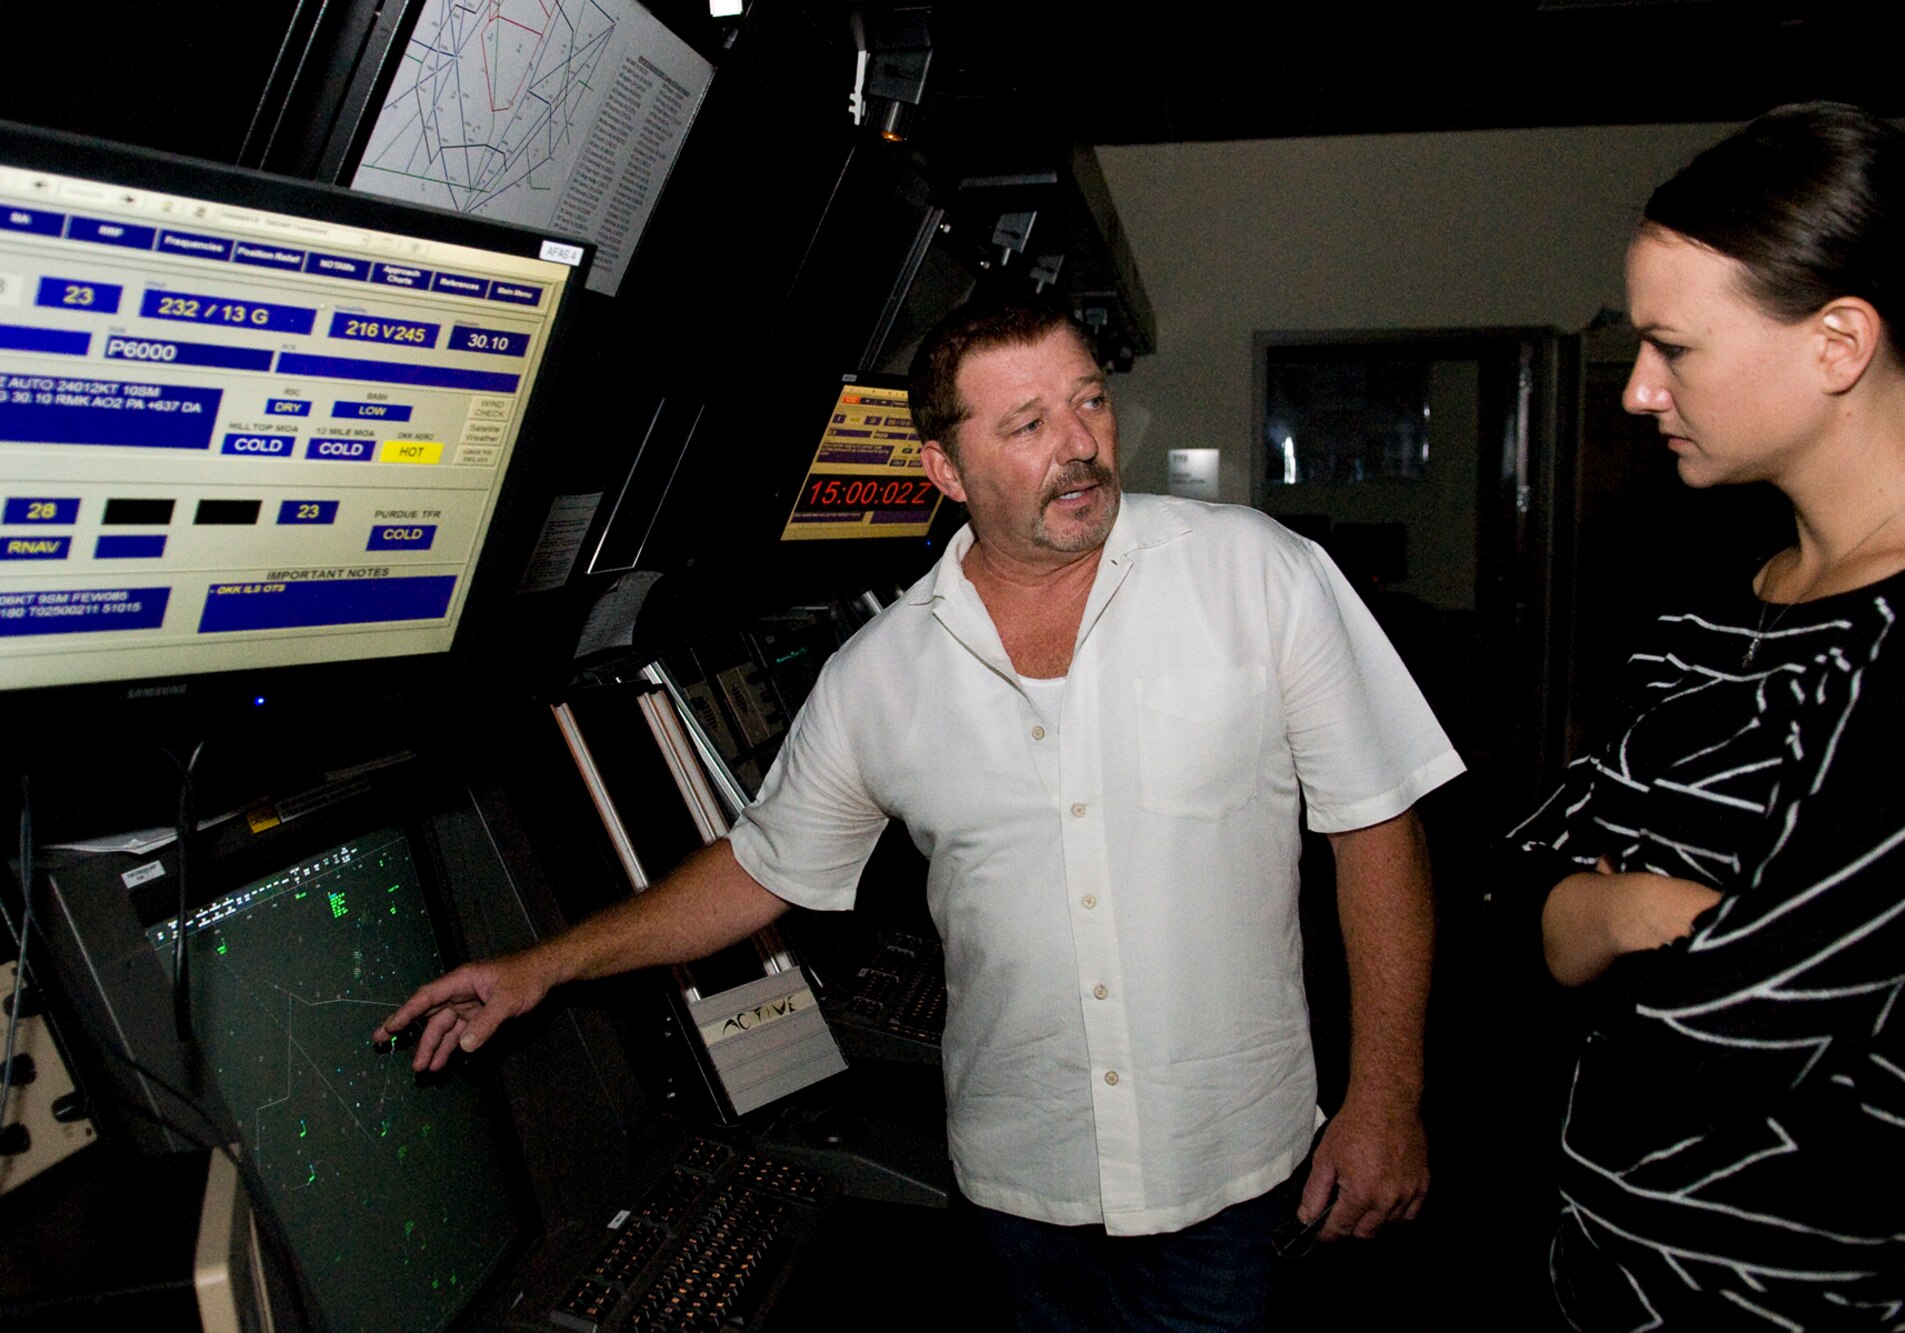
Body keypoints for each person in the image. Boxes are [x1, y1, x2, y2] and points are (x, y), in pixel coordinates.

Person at [377, 298, 1463, 1329]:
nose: (1078, 445)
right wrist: (542, 966)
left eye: (1087, 401)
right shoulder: (880, 673)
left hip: (1230, 1171)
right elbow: (761, 870)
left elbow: (1374, 828)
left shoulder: (1258, 575)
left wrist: (1383, 1095)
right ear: (943, 468)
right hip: (1022, 1189)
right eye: (1027, 423)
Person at [1508, 103, 1905, 1328]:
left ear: (1837, 343)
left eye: (1674, 348)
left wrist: (1607, 926)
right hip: (1608, 1280)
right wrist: (1620, 908)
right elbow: (1521, 897)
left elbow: (1731, 1023)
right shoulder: (1720, 608)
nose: (1635, 390)